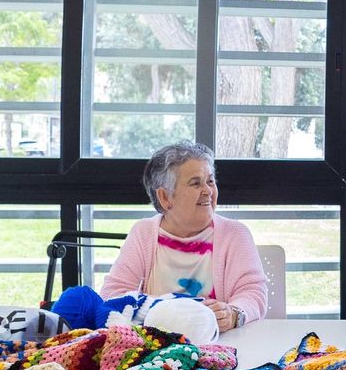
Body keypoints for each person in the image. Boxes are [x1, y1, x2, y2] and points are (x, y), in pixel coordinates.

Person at [101, 141, 268, 330]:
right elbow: (112, 294)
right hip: (157, 345)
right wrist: (163, 314)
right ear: (165, 197)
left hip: (220, 347)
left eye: (210, 181)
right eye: (196, 183)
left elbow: (253, 293)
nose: (208, 191)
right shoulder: (144, 233)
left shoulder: (235, 234)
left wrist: (234, 313)